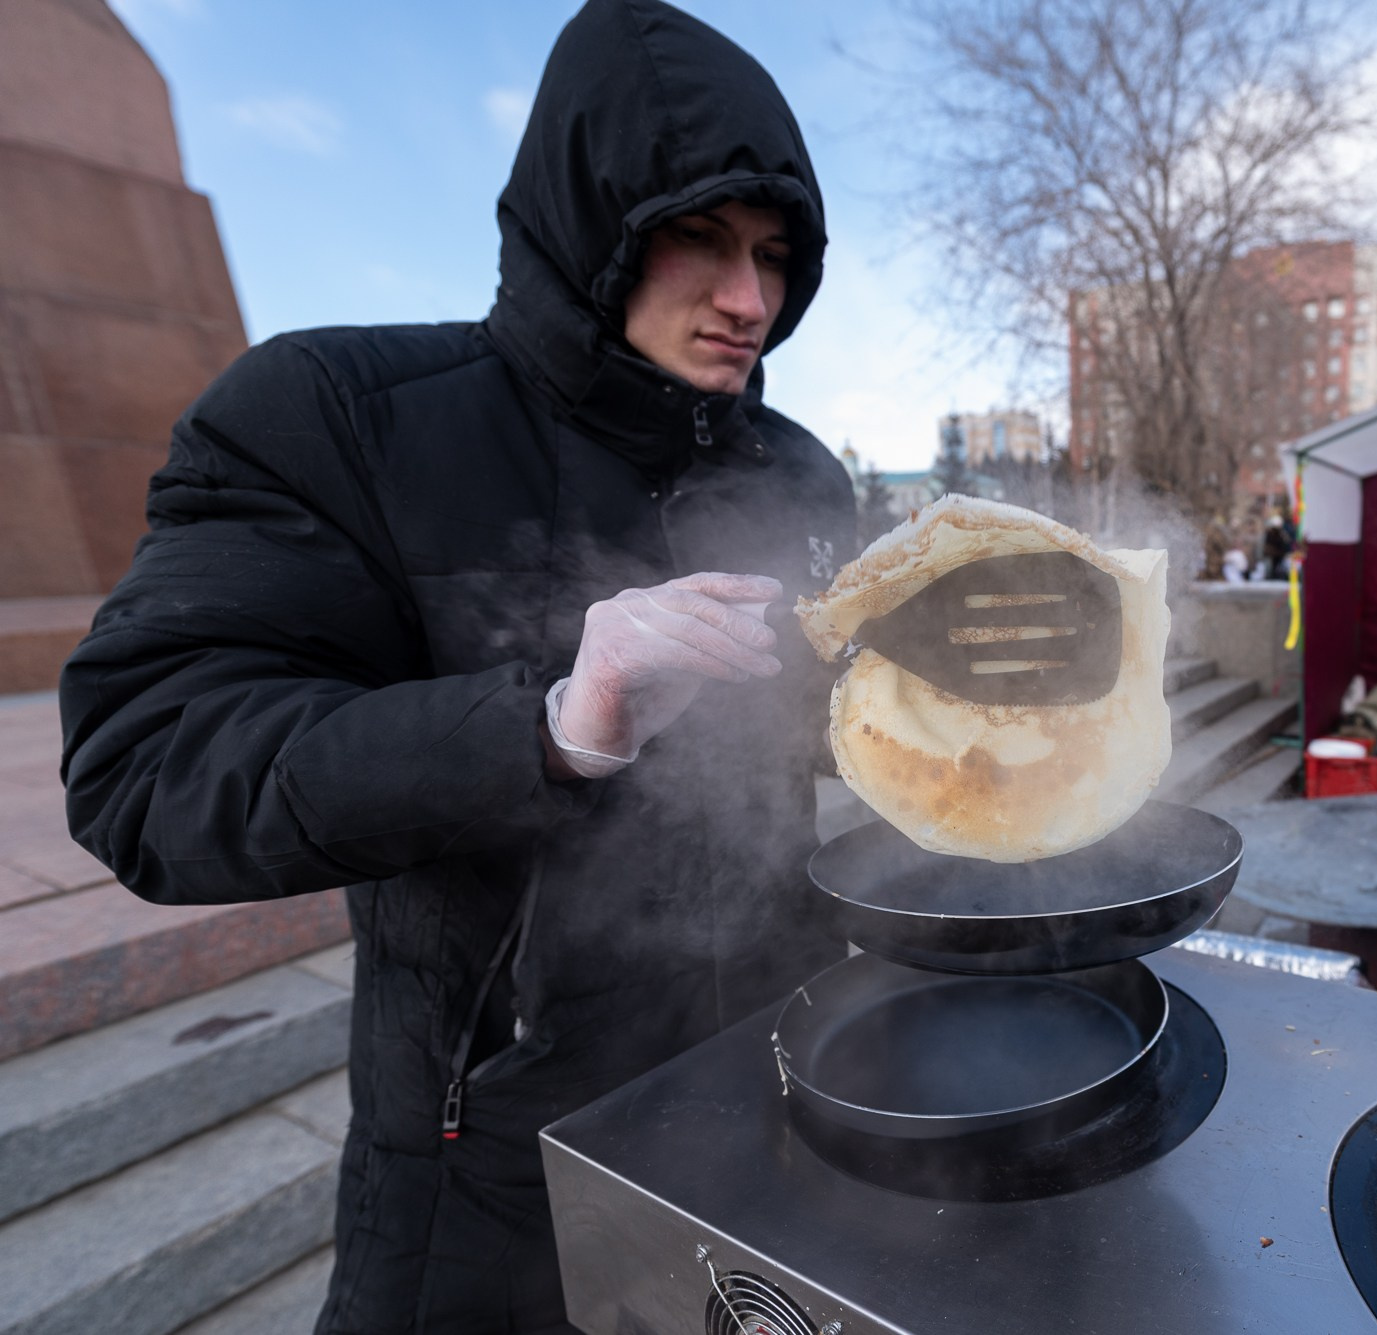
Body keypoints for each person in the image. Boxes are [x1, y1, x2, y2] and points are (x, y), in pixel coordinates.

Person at [59, 3, 854, 1330]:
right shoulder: (336, 419)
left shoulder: (800, 473)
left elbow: (837, 724)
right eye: (702, 239)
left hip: (771, 1115)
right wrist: (550, 724)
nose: (749, 300)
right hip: (486, 1163)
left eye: (776, 255)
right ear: (588, 223)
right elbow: (148, 766)